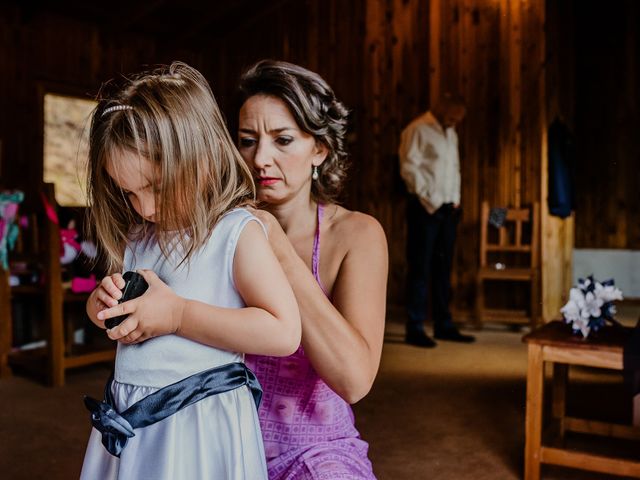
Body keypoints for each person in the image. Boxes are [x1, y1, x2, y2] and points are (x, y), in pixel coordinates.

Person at [79, 62, 301, 479]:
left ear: (201, 159)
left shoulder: (236, 234)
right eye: (129, 193)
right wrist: (101, 304)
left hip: (200, 425)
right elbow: (120, 319)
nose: (144, 208)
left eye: (156, 187)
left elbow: (283, 332)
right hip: (133, 422)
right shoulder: (140, 236)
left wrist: (179, 315)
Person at [236, 60, 388, 479]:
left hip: (314, 452)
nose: (261, 158)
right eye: (248, 141)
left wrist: (278, 249)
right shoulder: (222, 231)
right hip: (223, 443)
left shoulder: (356, 235)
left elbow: (354, 380)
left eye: (283, 140)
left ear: (319, 149)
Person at [398, 93, 475, 348]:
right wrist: (428, 198)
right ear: (442, 110)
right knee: (420, 268)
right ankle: (415, 327)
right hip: (425, 209)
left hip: (449, 210)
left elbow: (453, 168)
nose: (455, 122)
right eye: (452, 117)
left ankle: (444, 324)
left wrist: (455, 198)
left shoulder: (450, 132)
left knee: (443, 270)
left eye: (458, 120)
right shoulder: (417, 129)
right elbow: (409, 167)